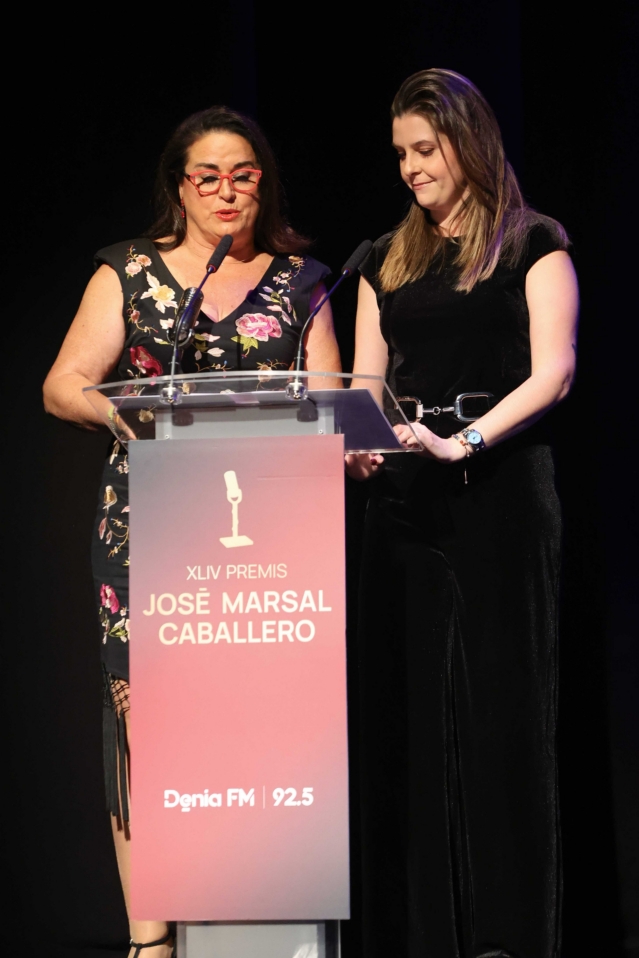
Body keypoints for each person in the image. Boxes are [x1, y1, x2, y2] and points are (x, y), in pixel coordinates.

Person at [43, 105, 340, 958]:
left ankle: (257, 924)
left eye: (242, 175)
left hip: (271, 547)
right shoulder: (130, 271)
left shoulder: (303, 282)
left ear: (263, 184)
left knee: (255, 731)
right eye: (207, 176)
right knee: (144, 726)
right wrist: (126, 413)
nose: (225, 191)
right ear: (178, 186)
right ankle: (151, 940)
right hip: (147, 528)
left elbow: (330, 401)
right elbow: (63, 384)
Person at [348, 69, 578, 958]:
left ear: (467, 142)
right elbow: (365, 385)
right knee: (402, 714)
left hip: (501, 493)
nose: (410, 167)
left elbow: (554, 372)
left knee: (503, 713)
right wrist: (361, 444)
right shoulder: (383, 258)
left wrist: (466, 442)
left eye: (425, 149)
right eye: (400, 154)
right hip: (403, 503)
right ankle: (418, 934)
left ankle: (508, 937)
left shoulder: (530, 242)